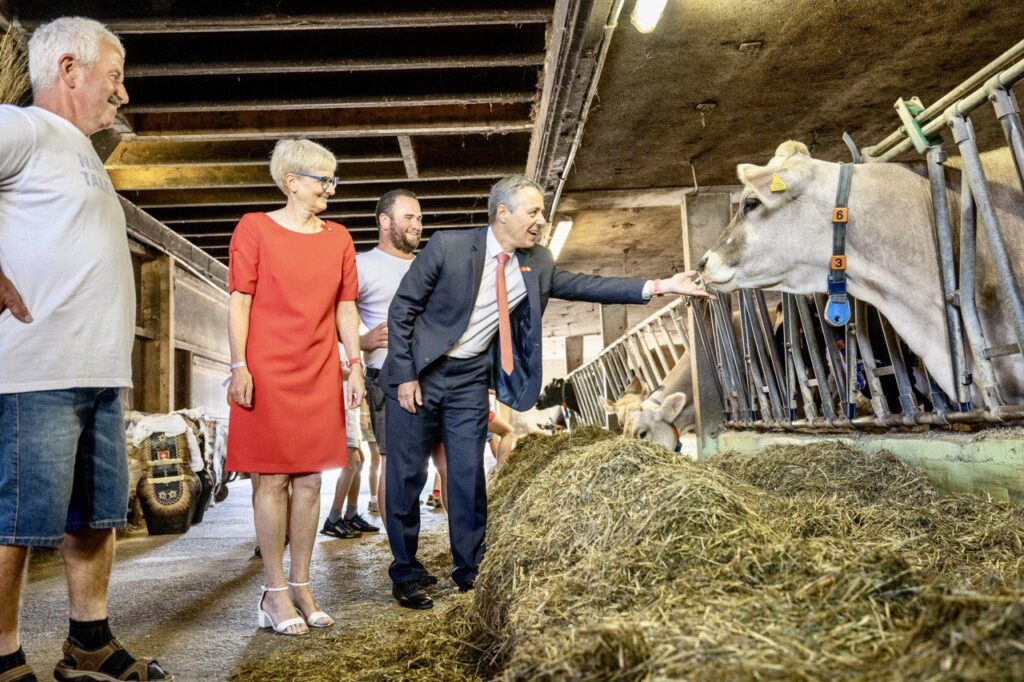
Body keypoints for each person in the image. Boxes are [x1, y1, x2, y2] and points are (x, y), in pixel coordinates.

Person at [382, 174, 714, 609]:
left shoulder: (536, 261)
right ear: (503, 213)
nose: (542, 220)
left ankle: (470, 569)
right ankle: (406, 573)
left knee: (467, 477)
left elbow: (586, 285)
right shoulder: (449, 246)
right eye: (534, 211)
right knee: (407, 477)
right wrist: (406, 374)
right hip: (420, 375)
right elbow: (402, 309)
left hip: (467, 381)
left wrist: (659, 286)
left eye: (542, 212)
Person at [0, 17, 173, 682]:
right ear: (69, 70)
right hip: (35, 368)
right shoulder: (22, 129)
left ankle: (89, 643)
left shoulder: (80, 154)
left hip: (98, 372)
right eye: (114, 76)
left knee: (96, 515)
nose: (123, 93)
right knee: (16, 521)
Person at [226, 138, 364, 636]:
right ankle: (274, 591)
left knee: (310, 479)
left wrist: (355, 364)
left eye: (333, 178)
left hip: (319, 366)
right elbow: (240, 301)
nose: (330, 187)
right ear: (291, 182)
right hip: (266, 368)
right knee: (272, 479)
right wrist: (239, 365)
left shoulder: (339, 238)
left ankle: (303, 584)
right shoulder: (255, 228)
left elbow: (344, 307)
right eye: (321, 178)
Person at [322, 377, 379, 538]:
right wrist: (359, 373)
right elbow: (336, 369)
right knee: (351, 461)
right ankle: (333, 520)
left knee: (359, 460)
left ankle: (351, 515)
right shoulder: (341, 350)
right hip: (342, 402)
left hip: (349, 403)